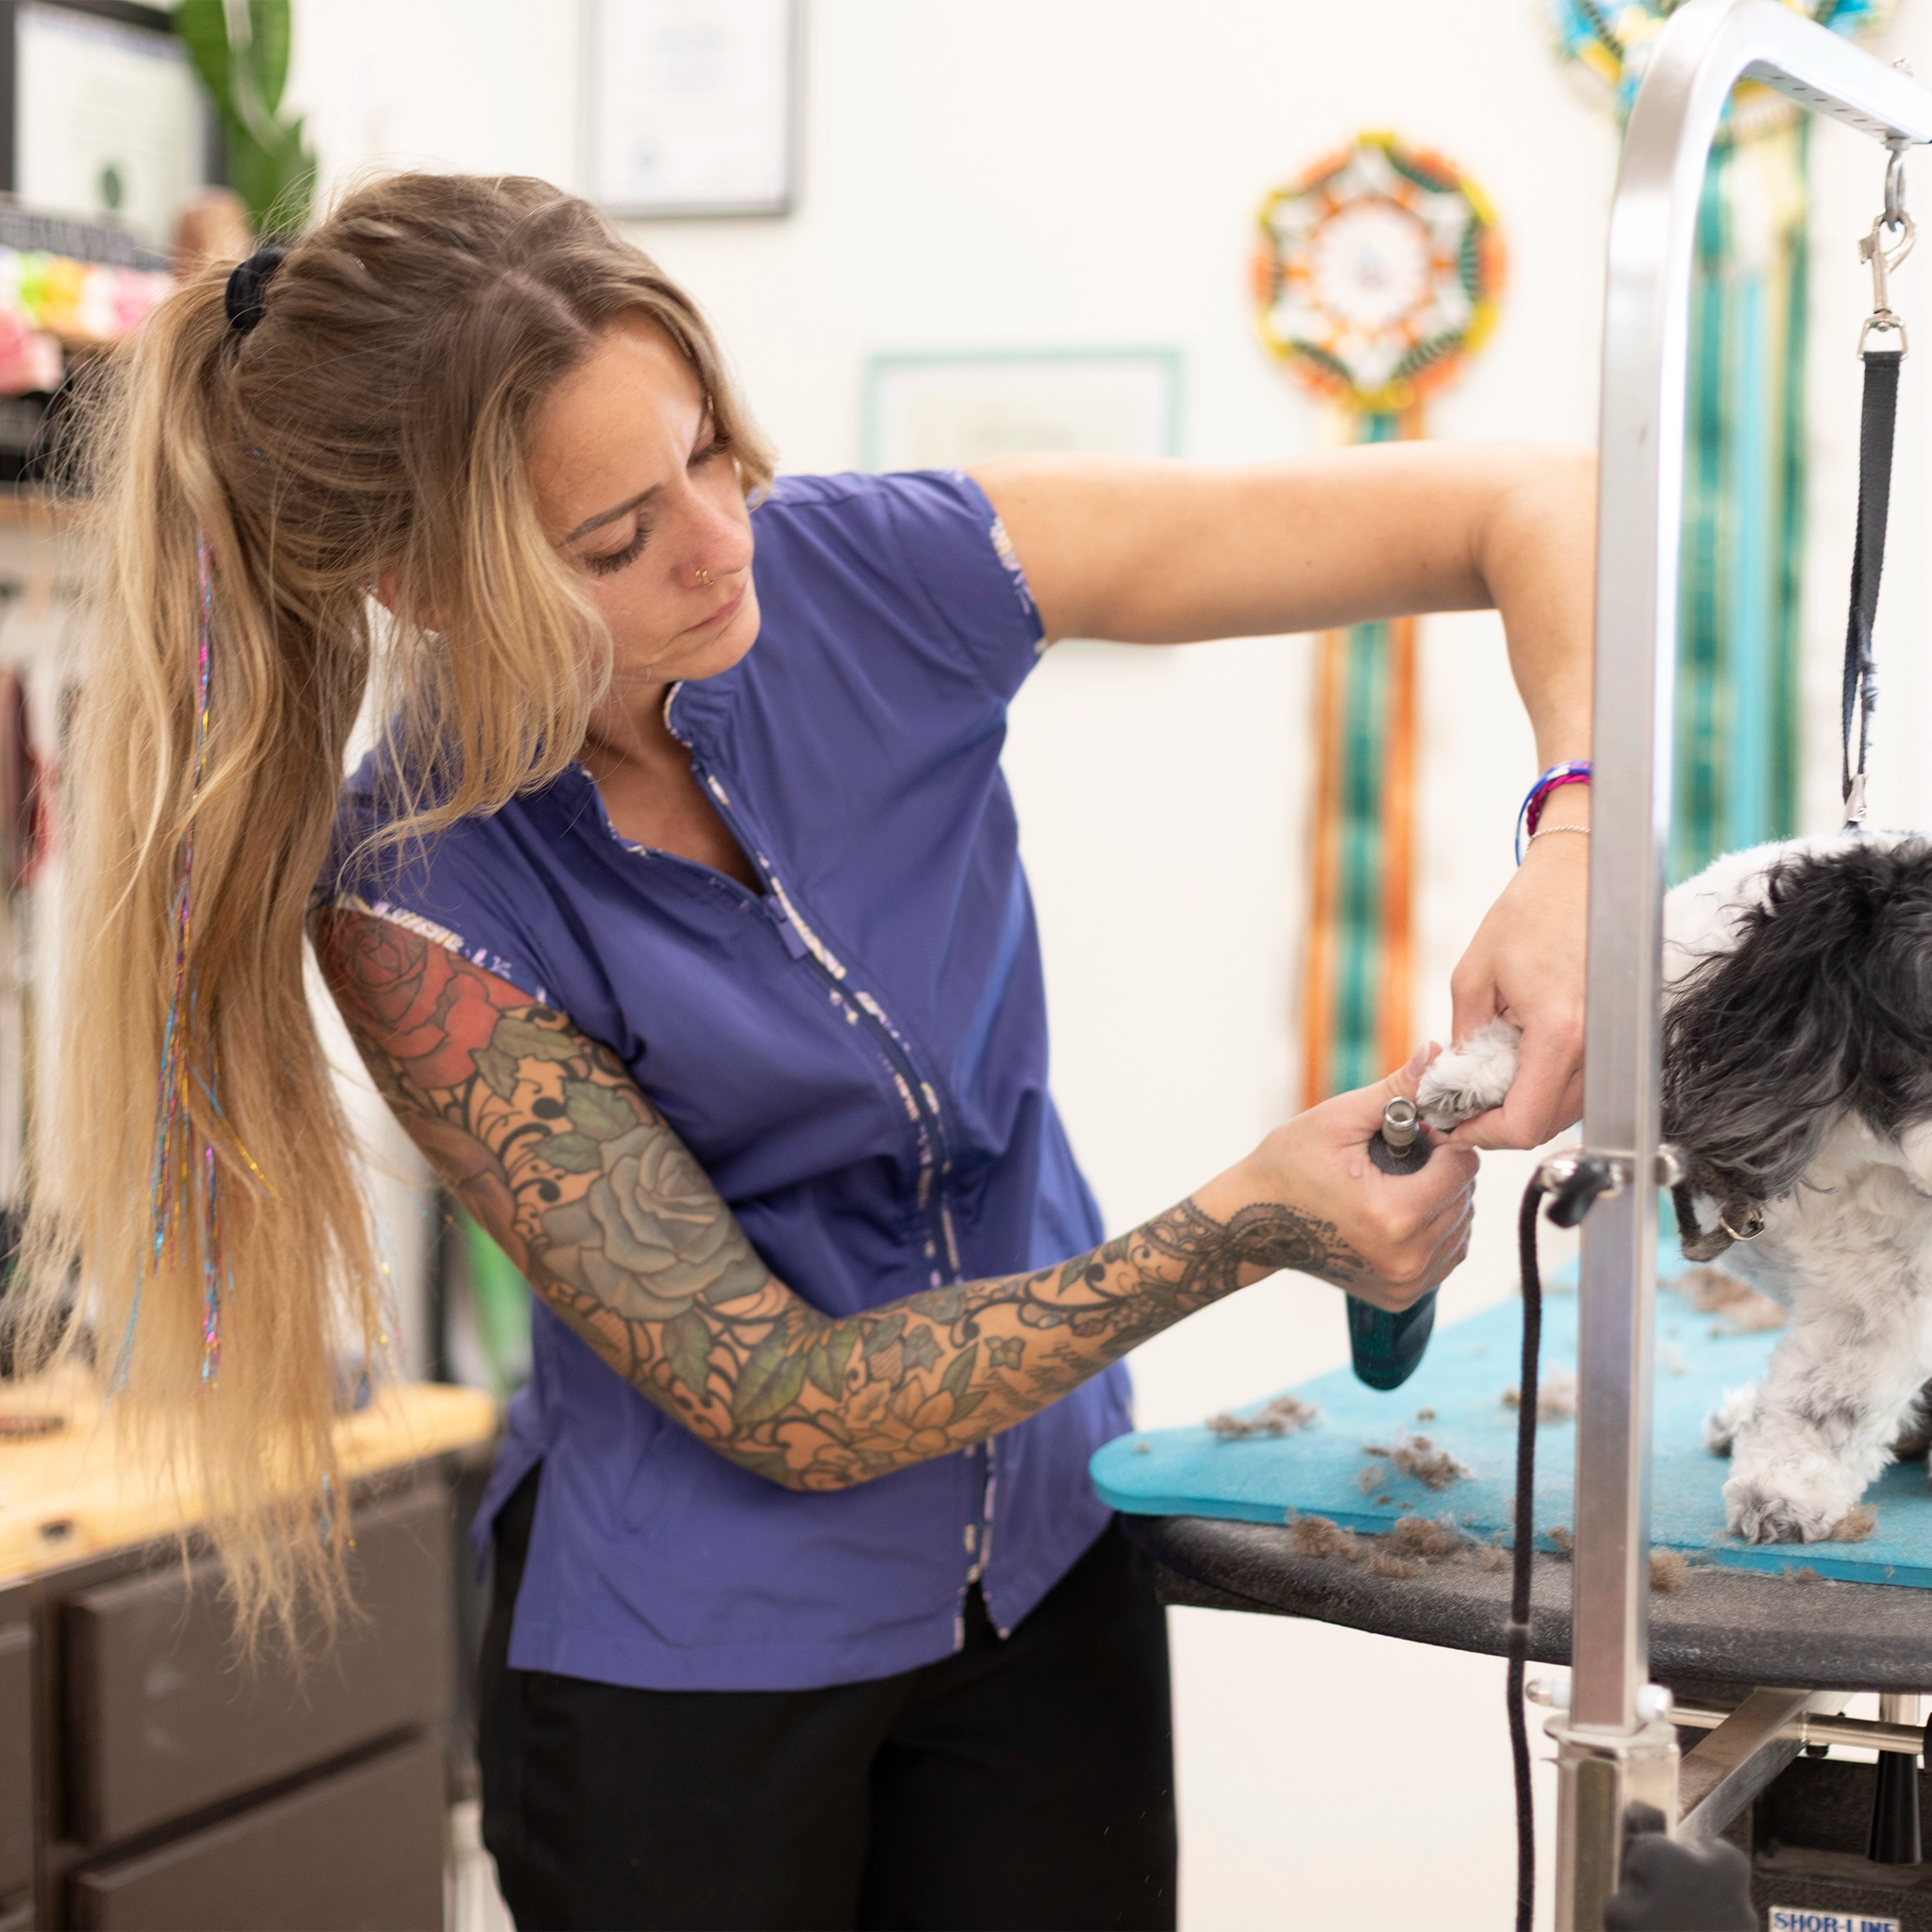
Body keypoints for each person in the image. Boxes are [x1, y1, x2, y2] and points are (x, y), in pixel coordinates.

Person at [27, 174, 1594, 1930]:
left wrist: (1574, 838)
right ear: (421, 582)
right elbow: (785, 1398)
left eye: (709, 449)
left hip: (1048, 1568)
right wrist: (1240, 1228)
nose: (722, 543)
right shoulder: (421, 901)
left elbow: (1530, 500)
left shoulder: (885, 568)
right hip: (688, 1684)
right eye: (615, 539)